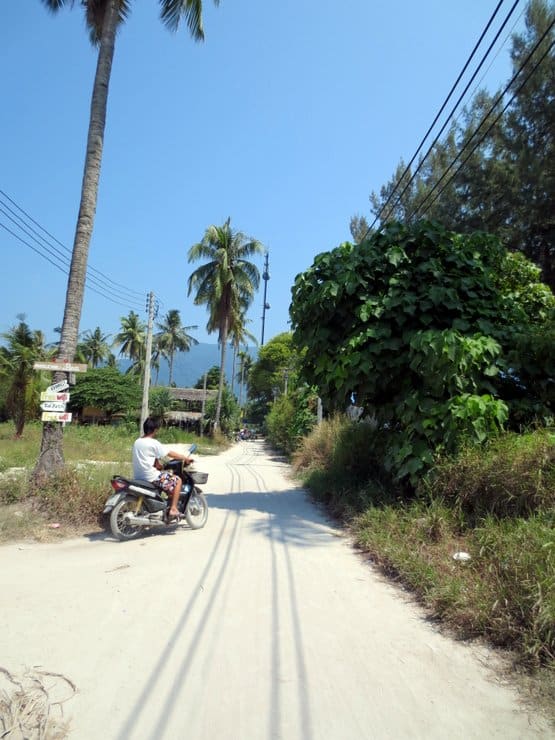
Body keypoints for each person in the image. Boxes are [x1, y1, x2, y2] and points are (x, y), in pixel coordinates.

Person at [132, 417, 194, 521]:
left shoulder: (137, 442)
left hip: (139, 476)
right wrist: (185, 458)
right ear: (155, 430)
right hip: (151, 477)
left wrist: (160, 466)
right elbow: (169, 453)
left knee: (166, 481)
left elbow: (154, 462)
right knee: (178, 481)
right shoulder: (153, 443)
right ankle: (173, 509)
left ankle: (164, 507)